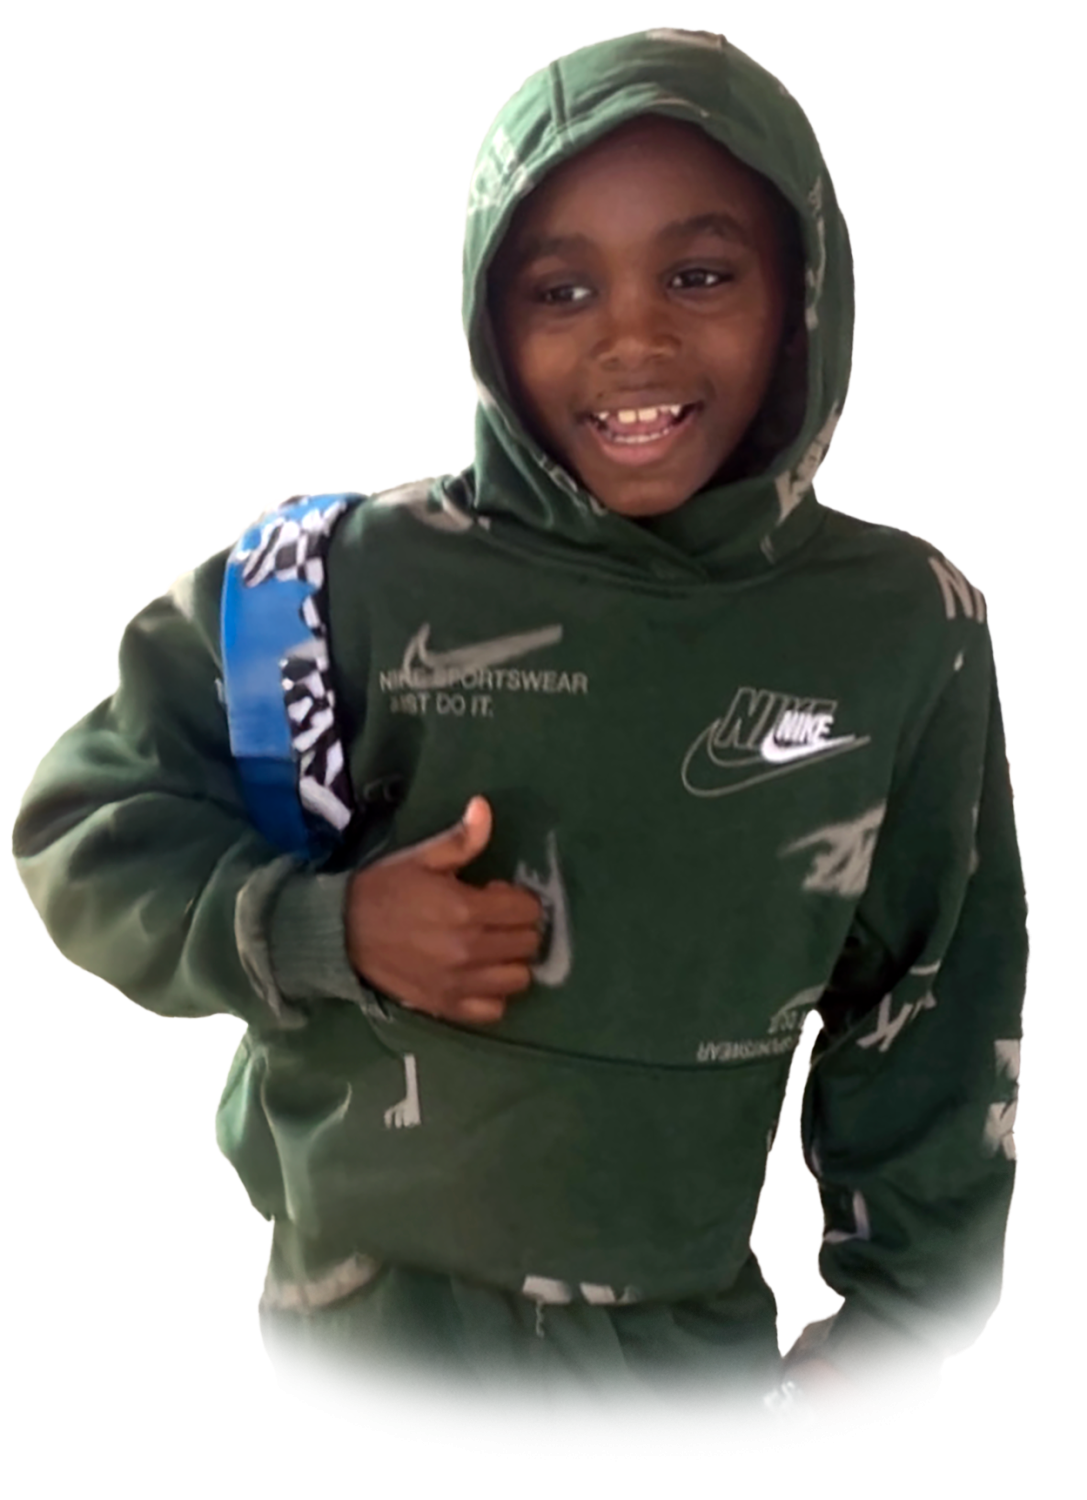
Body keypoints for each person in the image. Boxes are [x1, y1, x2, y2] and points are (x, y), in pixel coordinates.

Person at [9, 24, 1029, 1455]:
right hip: (345, 1355)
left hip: (685, 1373)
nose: (634, 338)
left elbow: (939, 990)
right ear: (489, 316)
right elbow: (82, 823)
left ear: (804, 290)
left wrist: (892, 1334)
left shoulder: (900, 627)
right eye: (561, 289)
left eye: (699, 274)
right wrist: (328, 929)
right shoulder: (335, 584)